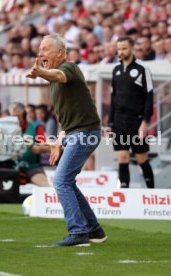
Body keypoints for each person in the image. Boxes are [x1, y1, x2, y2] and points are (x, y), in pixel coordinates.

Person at [26, 33, 107, 247]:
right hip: (76, 134)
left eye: (46, 49)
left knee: (61, 181)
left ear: (60, 53)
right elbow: (66, 118)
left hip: (85, 133)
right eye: (40, 49)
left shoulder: (68, 68)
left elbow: (59, 75)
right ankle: (94, 231)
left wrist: (41, 72)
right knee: (66, 181)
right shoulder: (52, 80)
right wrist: (59, 140)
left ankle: (78, 232)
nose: (41, 52)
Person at [105, 36, 154, 189]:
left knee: (141, 158)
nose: (121, 52)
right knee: (122, 156)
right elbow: (114, 98)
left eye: (124, 48)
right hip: (119, 121)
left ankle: (152, 191)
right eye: (119, 49)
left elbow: (149, 96)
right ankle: (124, 193)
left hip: (137, 121)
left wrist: (145, 122)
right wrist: (110, 123)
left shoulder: (142, 69)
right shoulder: (116, 70)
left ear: (132, 48)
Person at [8, 102, 50, 187]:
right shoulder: (6, 129)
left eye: (17, 117)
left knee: (46, 187)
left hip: (32, 167)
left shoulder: (35, 127)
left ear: (24, 115)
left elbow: (46, 147)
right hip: (11, 167)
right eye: (12, 117)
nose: (15, 120)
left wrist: (35, 148)